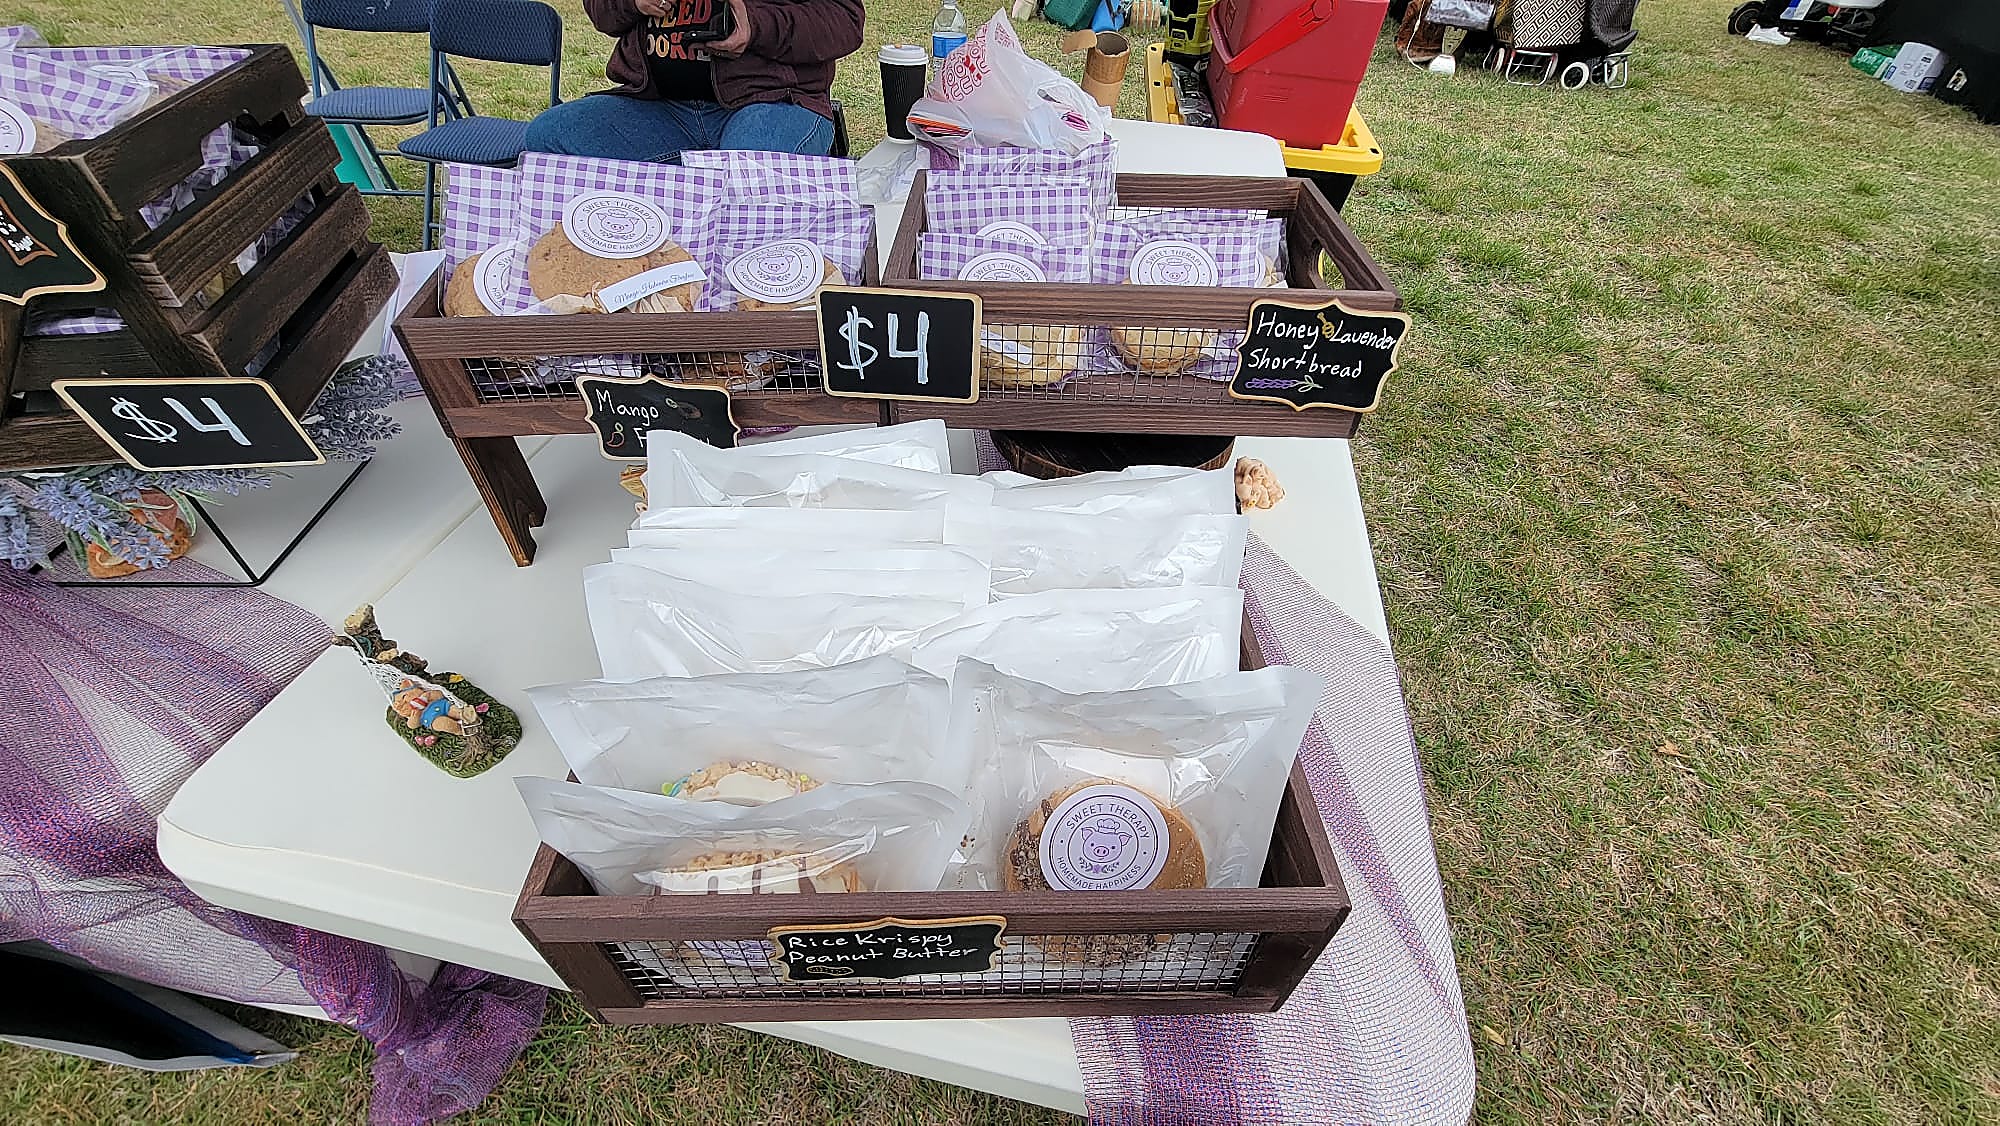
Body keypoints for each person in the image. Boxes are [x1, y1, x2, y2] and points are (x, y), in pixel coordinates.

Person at [522, 0, 862, 162]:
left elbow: (846, 21)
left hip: (773, 103)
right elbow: (601, 11)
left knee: (740, 174)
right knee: (550, 139)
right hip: (661, 108)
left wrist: (756, 26)